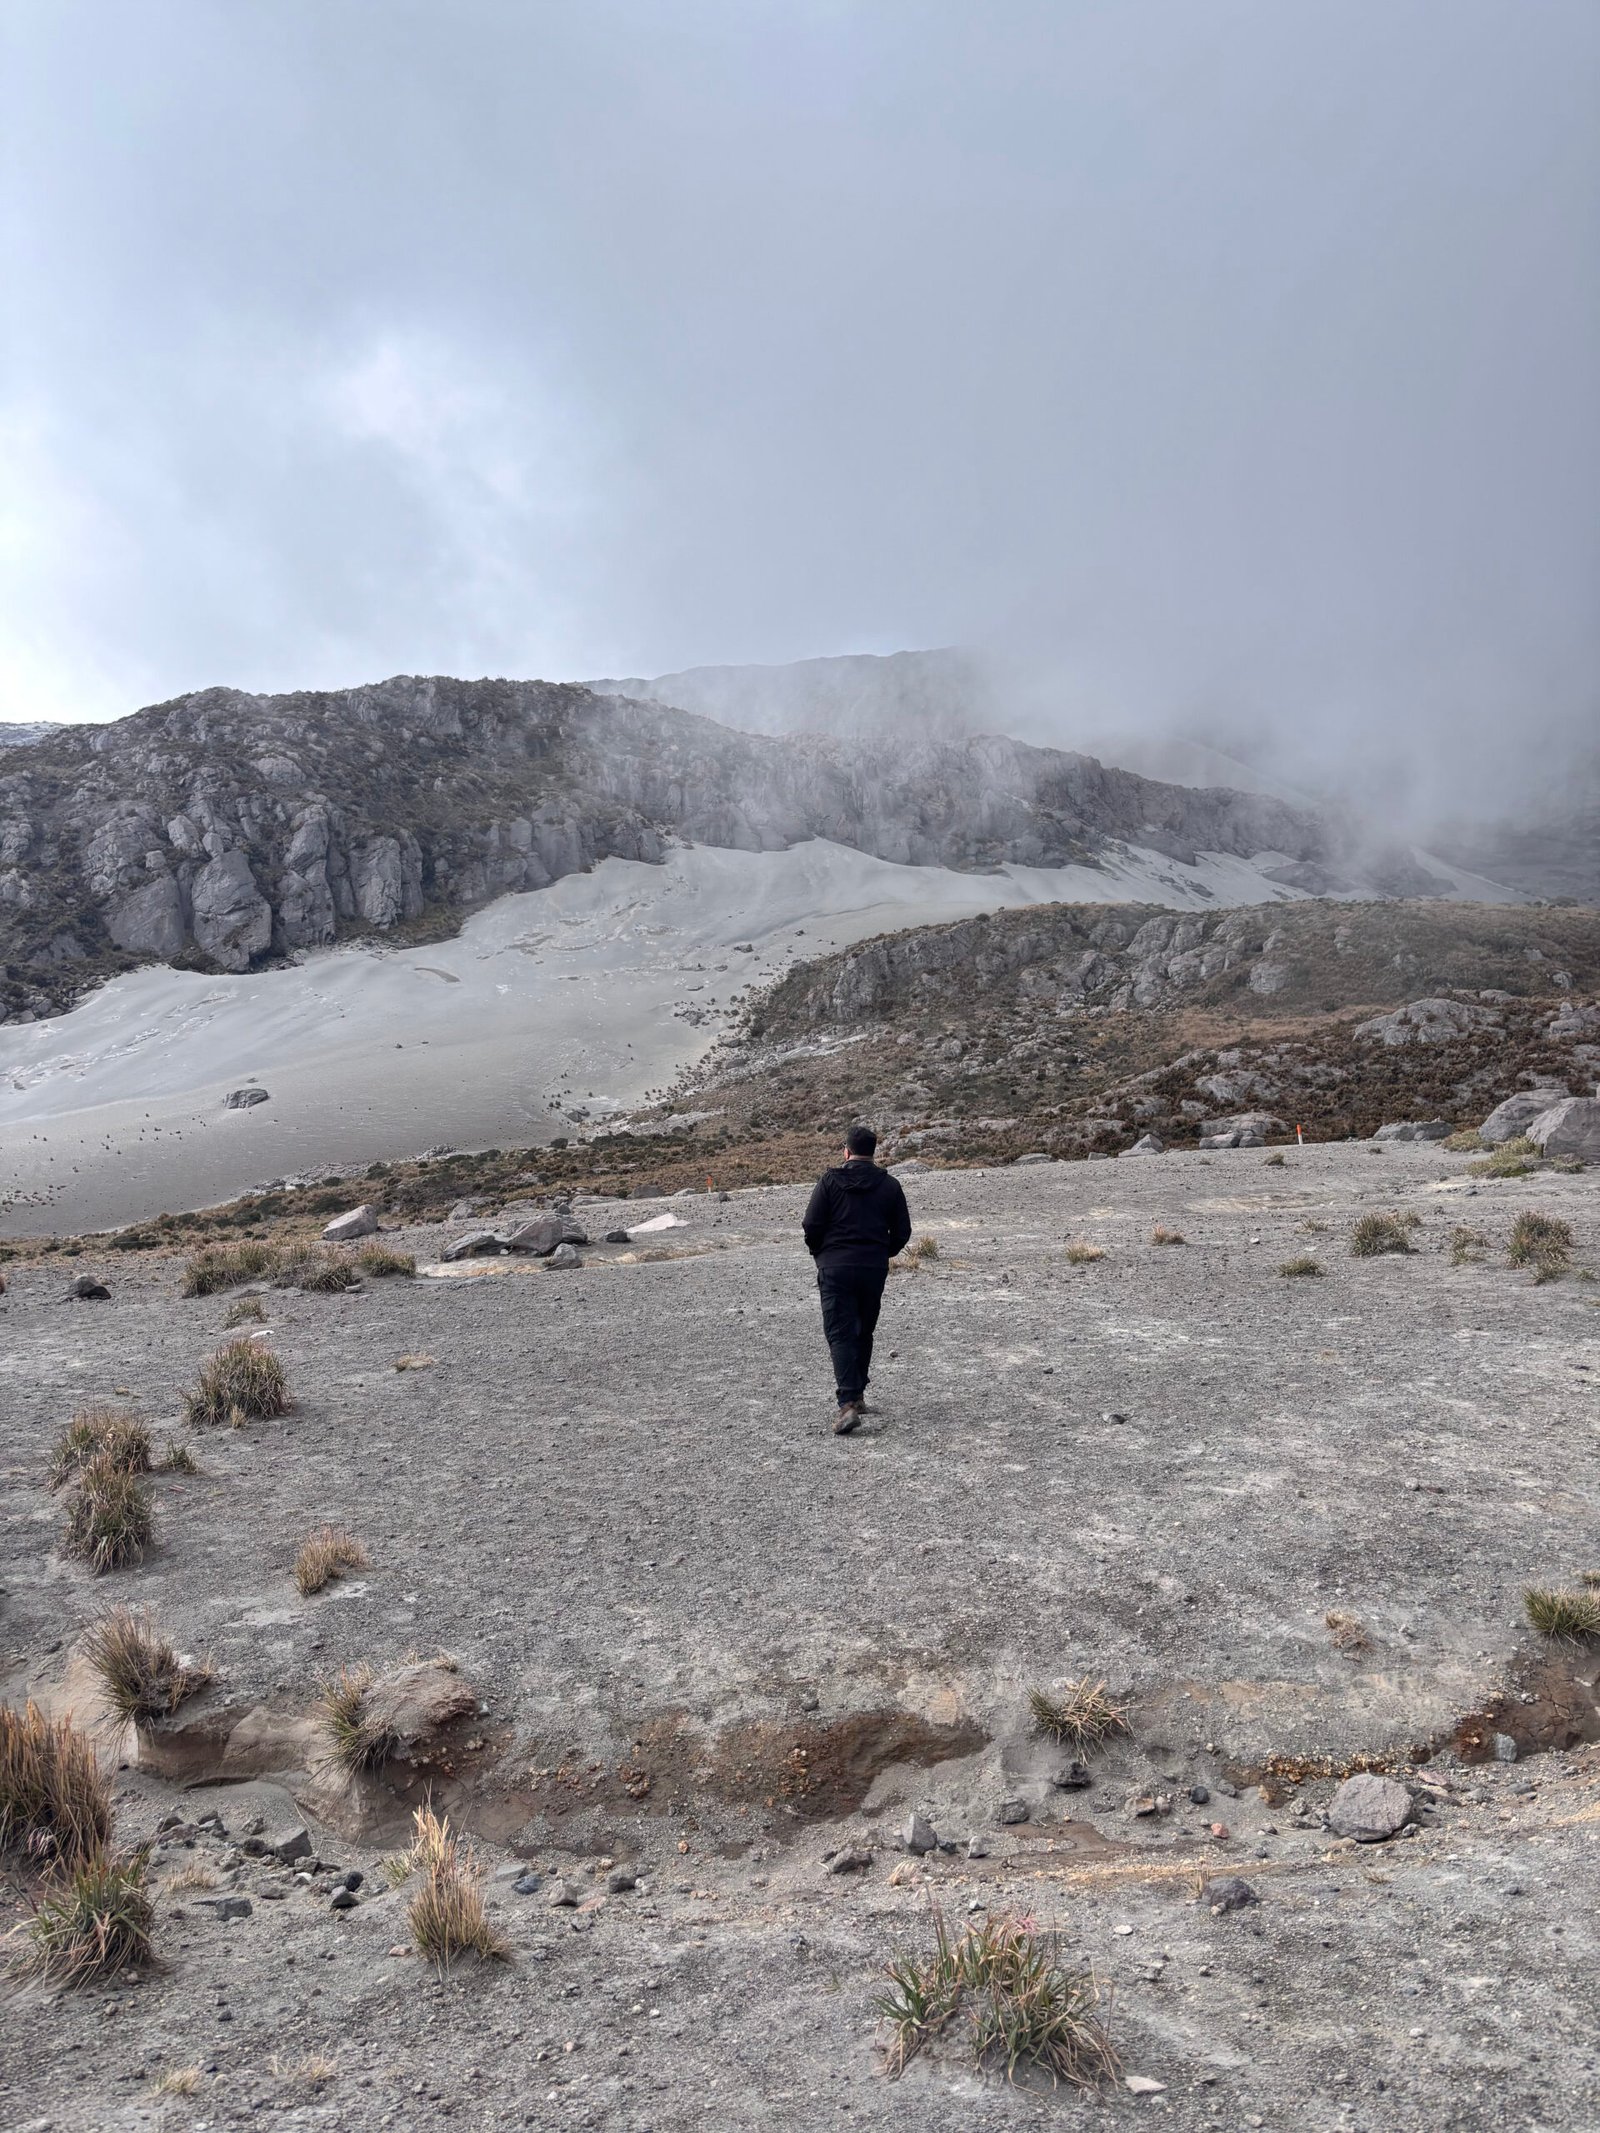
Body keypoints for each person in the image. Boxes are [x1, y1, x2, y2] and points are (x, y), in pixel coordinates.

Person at [801, 1123, 911, 1434]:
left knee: (840, 1333)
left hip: (835, 1267)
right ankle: (858, 1395)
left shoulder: (829, 1182)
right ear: (873, 1153)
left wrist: (820, 1253)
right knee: (864, 1329)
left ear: (846, 1151)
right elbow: (903, 1231)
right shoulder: (890, 1186)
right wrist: (881, 1253)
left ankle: (848, 1404)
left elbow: (811, 1224)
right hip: (872, 1268)